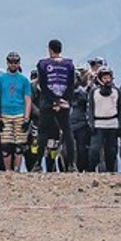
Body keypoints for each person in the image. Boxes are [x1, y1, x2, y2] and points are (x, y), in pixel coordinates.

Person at [35, 39, 76, 171]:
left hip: (47, 103)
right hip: (64, 103)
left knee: (43, 133)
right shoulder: (69, 64)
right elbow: (71, 84)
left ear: (50, 49)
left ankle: (38, 164)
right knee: (68, 132)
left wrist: (53, 100)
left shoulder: (43, 64)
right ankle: (71, 164)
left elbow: (43, 85)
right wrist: (62, 100)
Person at [0, 52, 32, 172]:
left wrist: (27, 118)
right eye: (11, 62)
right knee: (6, 145)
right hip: (5, 114)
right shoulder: (0, 79)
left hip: (20, 113)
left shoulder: (24, 80)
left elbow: (28, 99)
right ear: (7, 63)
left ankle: (17, 170)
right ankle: (8, 170)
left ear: (19, 63)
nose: (13, 65)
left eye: (16, 62)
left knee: (19, 145)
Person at [86, 64, 121, 172]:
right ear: (100, 79)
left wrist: (120, 123)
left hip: (112, 123)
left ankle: (110, 171)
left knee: (112, 151)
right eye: (104, 78)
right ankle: (91, 170)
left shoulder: (116, 91)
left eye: (108, 78)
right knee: (94, 149)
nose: (107, 80)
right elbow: (90, 108)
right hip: (98, 124)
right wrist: (91, 123)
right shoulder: (94, 92)